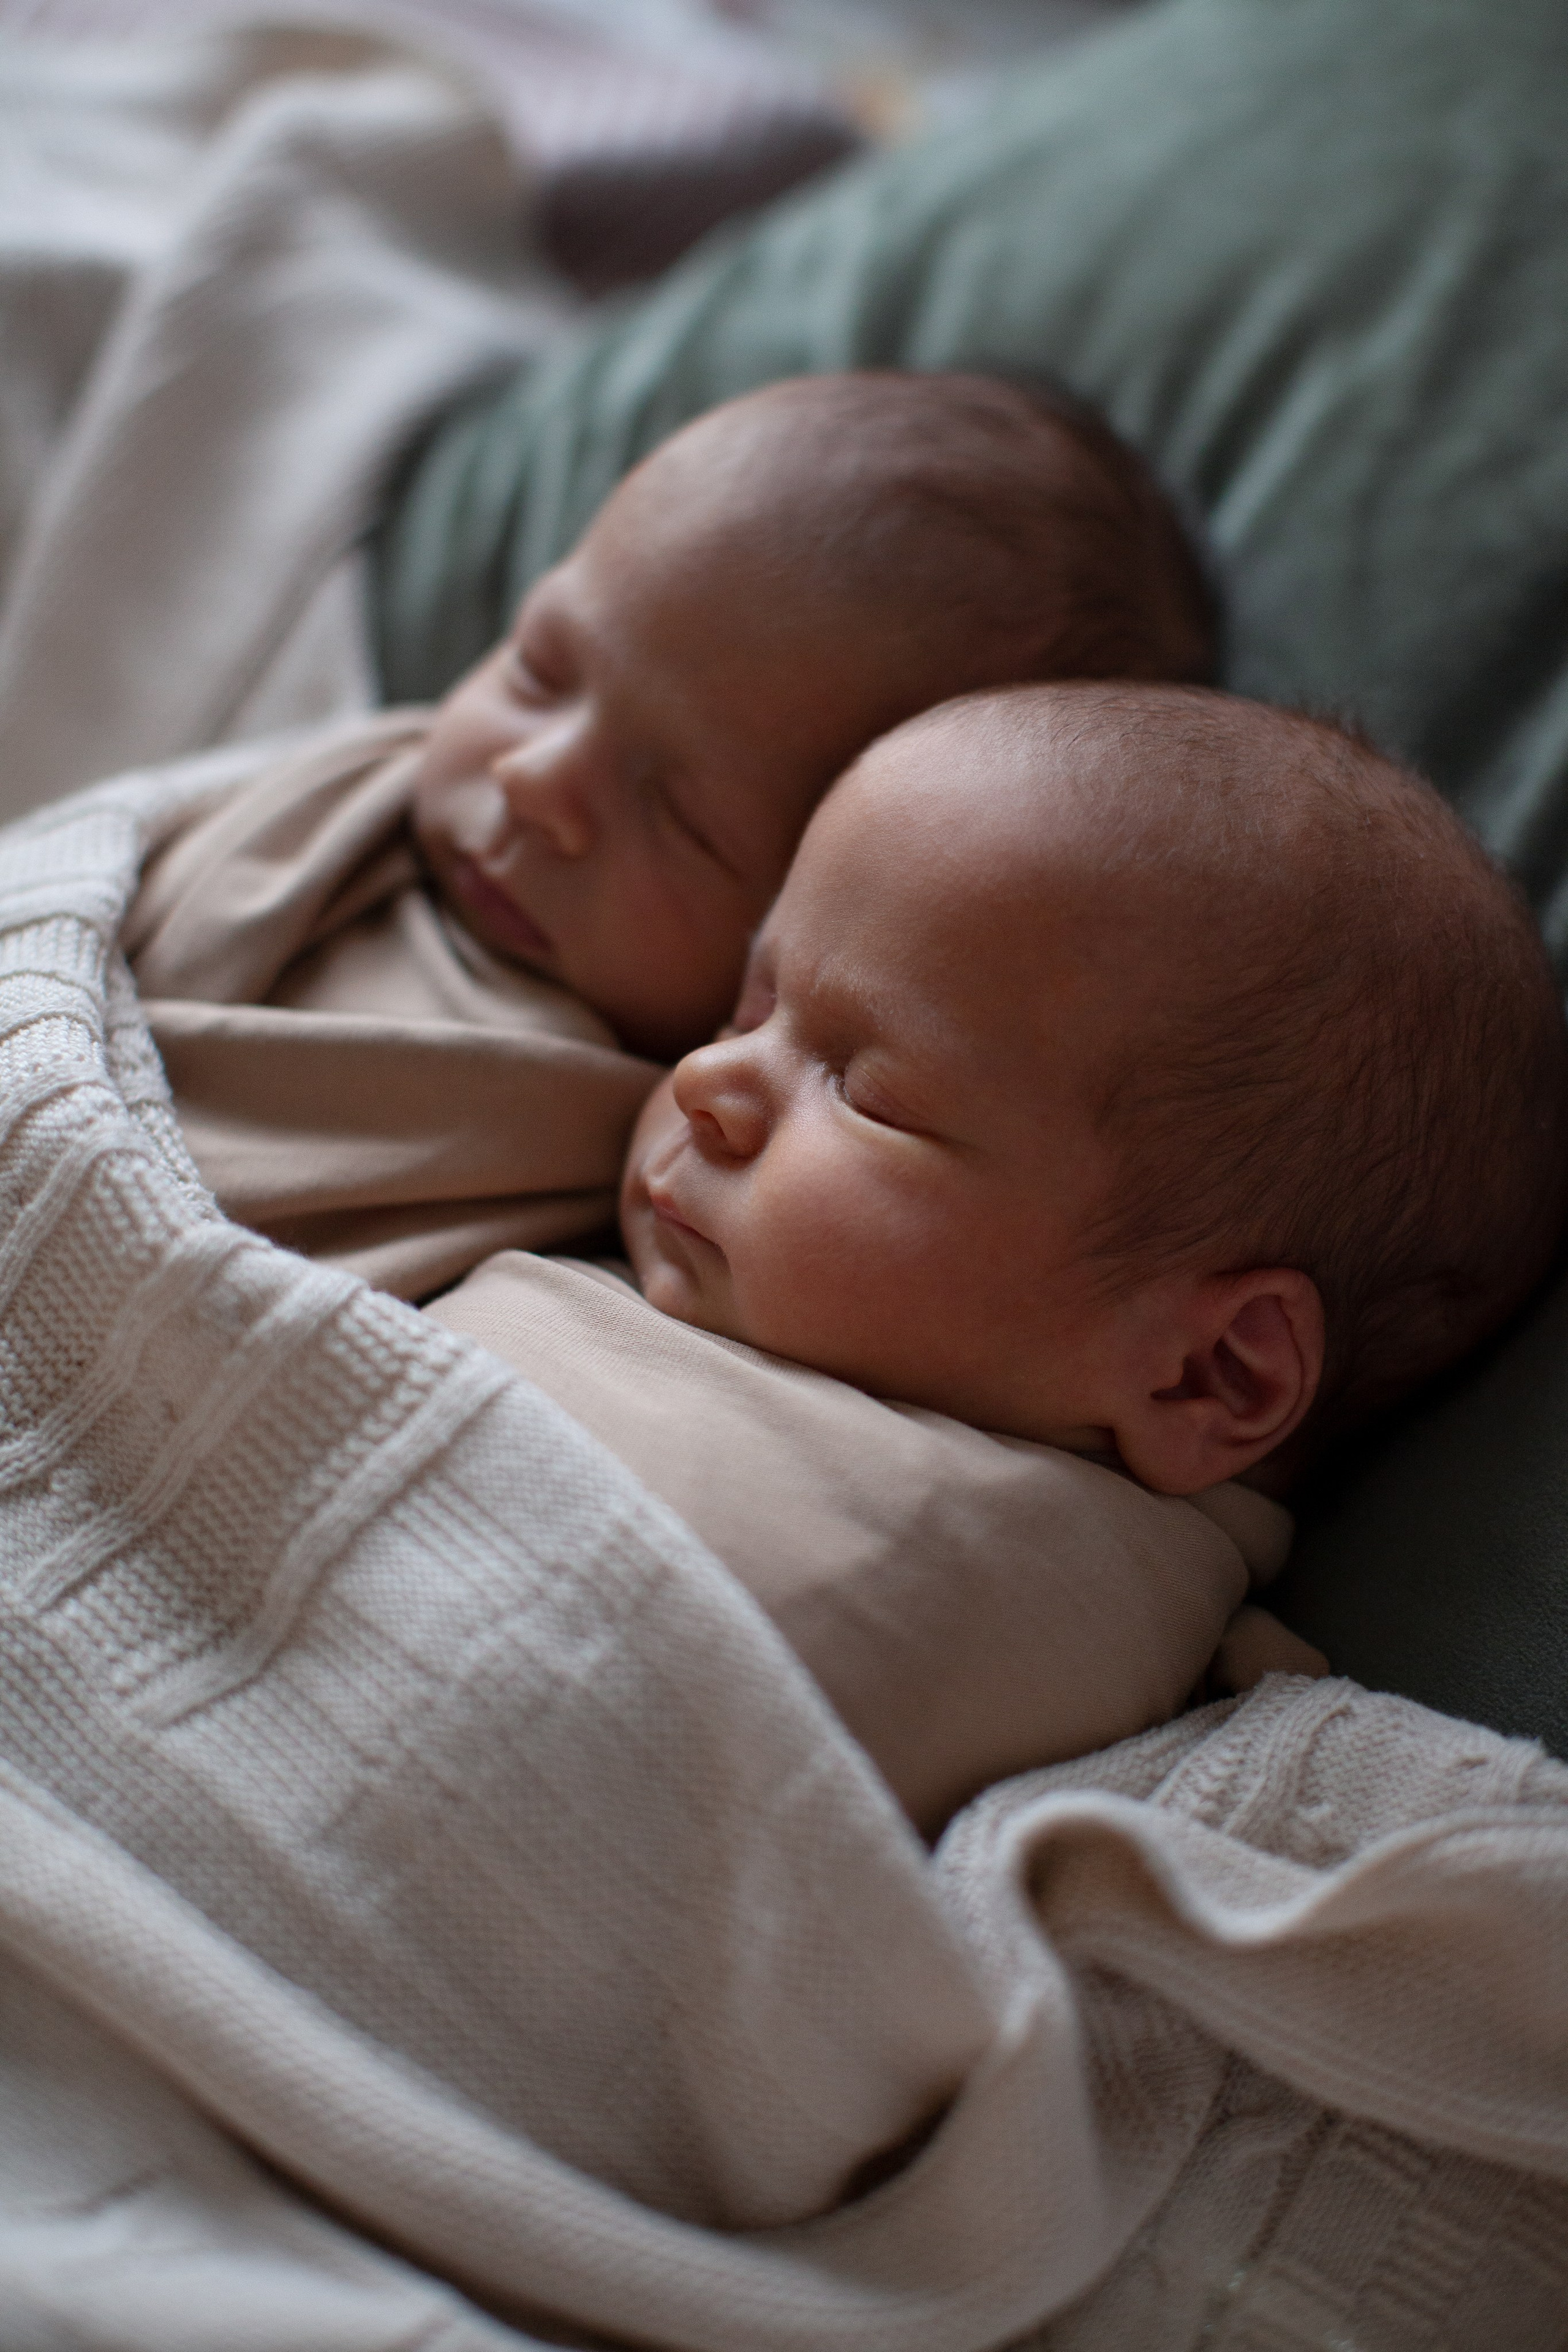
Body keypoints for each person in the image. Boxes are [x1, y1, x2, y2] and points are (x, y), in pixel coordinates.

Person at [428, 682, 1568, 1826]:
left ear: (1208, 1373)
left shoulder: (1180, 1741)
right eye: (749, 1006)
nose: (700, 1084)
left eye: (868, 1095)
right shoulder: (545, 1205)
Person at [124, 369, 1212, 1302]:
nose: (533, 778)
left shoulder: (688, 1184)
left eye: (681, 818)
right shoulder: (343, 797)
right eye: (539, 666)